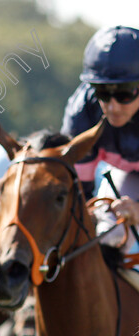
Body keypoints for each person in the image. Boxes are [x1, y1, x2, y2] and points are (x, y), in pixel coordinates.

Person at [61, 25, 139, 253]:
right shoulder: (81, 115)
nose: (112, 106)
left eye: (124, 92)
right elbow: (81, 194)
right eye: (102, 92)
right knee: (110, 235)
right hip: (127, 175)